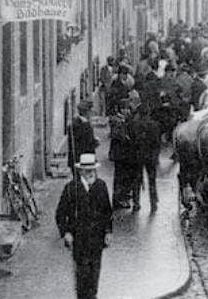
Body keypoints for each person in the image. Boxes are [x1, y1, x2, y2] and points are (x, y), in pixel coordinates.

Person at [55, 154, 113, 299]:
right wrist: (66, 232)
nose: (91, 173)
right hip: (79, 240)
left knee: (94, 273)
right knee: (82, 275)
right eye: (87, 171)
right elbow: (60, 214)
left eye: (93, 170)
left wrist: (108, 232)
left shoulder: (101, 186)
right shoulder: (71, 189)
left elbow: (108, 212)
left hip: (97, 240)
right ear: (81, 172)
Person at [128, 102, 161, 212]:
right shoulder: (154, 125)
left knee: (136, 180)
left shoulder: (134, 125)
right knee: (152, 180)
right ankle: (153, 203)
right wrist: (156, 156)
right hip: (150, 156)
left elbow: (131, 141)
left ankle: (136, 203)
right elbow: (157, 143)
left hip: (137, 156)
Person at [108, 100, 133, 209]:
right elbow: (116, 135)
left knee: (125, 176)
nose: (127, 111)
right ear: (120, 109)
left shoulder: (125, 120)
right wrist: (126, 137)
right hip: (119, 154)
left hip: (126, 154)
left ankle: (124, 196)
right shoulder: (116, 121)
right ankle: (118, 198)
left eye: (128, 108)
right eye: (125, 108)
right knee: (120, 176)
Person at [69, 101, 99, 173]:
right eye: (91, 111)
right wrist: (96, 143)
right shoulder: (84, 125)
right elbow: (86, 143)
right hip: (83, 160)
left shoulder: (76, 122)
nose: (91, 114)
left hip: (78, 159)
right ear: (87, 112)